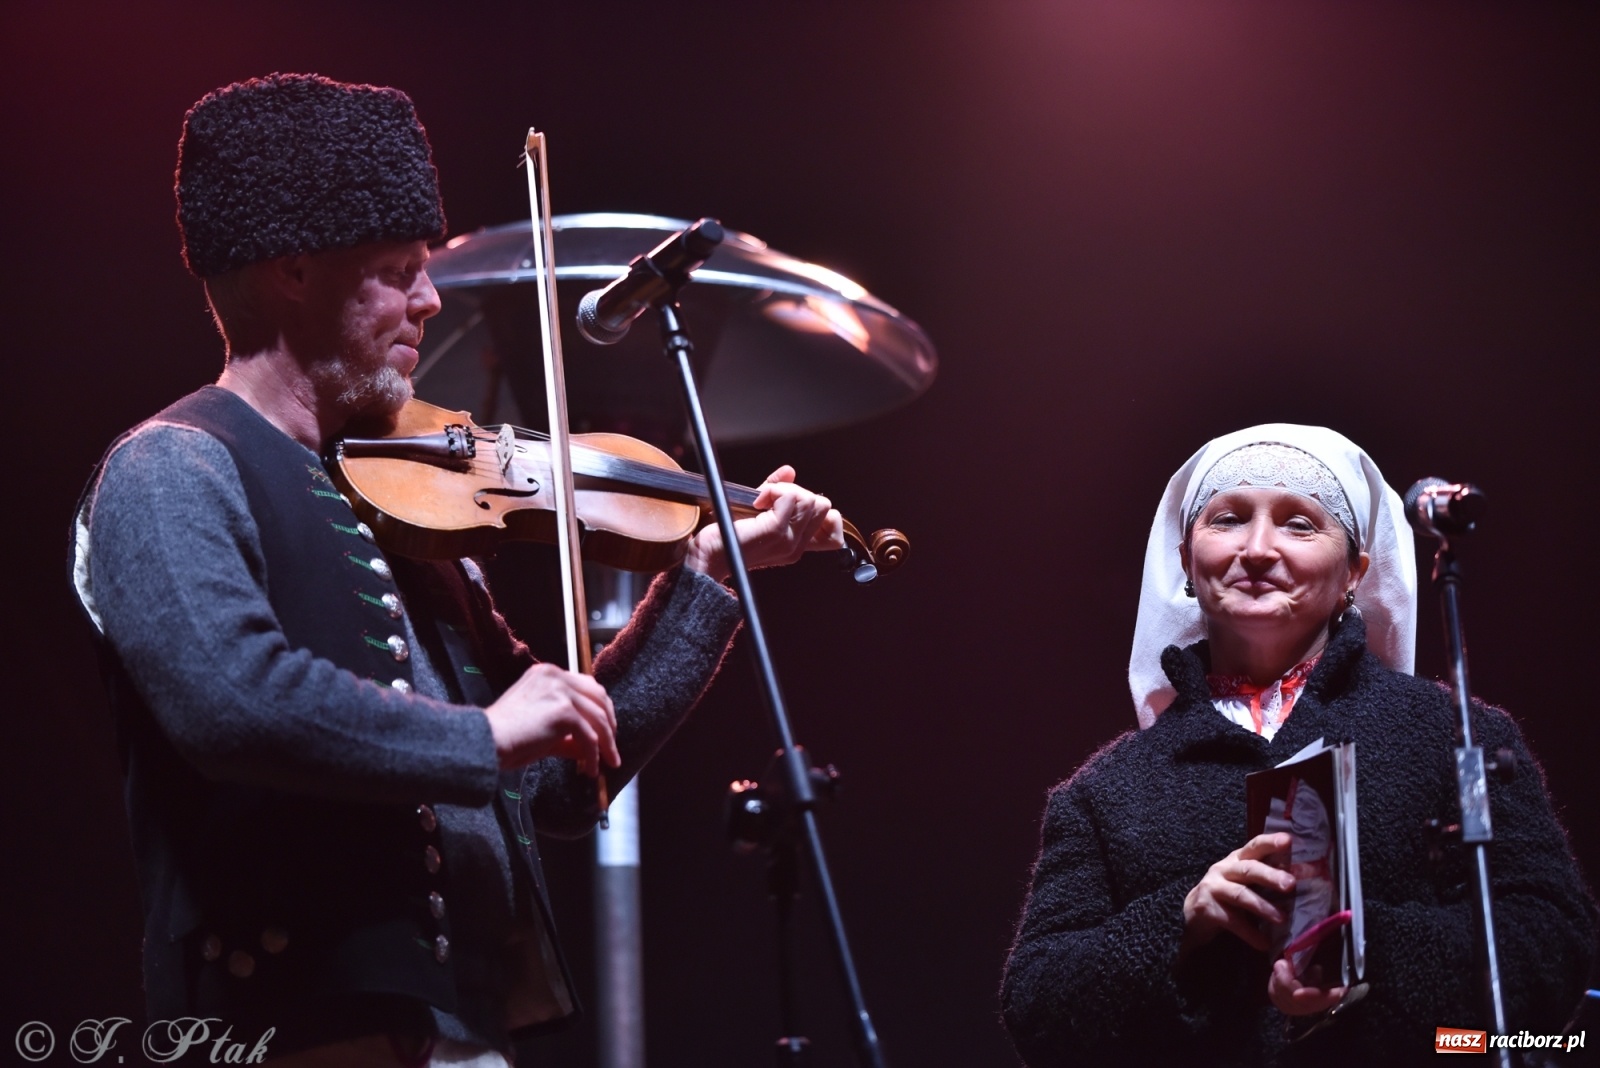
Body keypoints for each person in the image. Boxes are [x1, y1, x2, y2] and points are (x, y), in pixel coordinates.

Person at [69, 73, 844, 1066]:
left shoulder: (407, 501)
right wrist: (485, 735)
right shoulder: (171, 468)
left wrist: (707, 574)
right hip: (292, 1031)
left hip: (459, 1028)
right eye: (400, 268)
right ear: (292, 272)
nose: (431, 300)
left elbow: (560, 779)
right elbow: (233, 700)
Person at [1000, 424, 1597, 1066]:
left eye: (1300, 525)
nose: (1257, 549)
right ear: (1184, 558)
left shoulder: (1455, 737)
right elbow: (1035, 1005)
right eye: (1227, 519)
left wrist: (1357, 953)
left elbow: (1554, 941)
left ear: (1355, 574)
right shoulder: (1106, 794)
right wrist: (1183, 919)